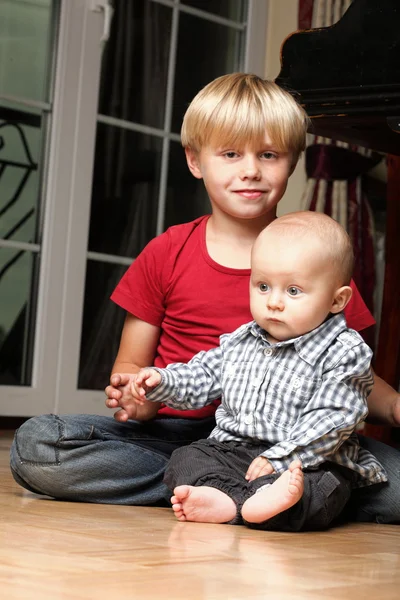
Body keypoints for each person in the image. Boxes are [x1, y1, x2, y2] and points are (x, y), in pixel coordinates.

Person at [9, 73, 400, 523]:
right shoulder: (167, 251)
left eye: (268, 154)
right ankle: (251, 493)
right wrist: (138, 396)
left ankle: (230, 492)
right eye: (231, 154)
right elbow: (131, 367)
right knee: (39, 445)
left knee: (390, 485)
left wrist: (392, 407)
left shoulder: (321, 263)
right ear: (195, 160)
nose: (250, 170)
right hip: (178, 432)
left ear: (292, 161)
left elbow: (351, 380)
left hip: (297, 439)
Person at [128, 212, 387, 531]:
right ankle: (234, 501)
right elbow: (203, 376)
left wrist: (283, 458)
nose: (274, 302)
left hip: (306, 460)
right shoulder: (240, 341)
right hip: (234, 450)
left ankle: (269, 502)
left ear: (337, 300)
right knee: (186, 457)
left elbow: (331, 418)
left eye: (293, 291)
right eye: (263, 286)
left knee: (325, 488)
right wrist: (162, 382)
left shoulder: (345, 351)